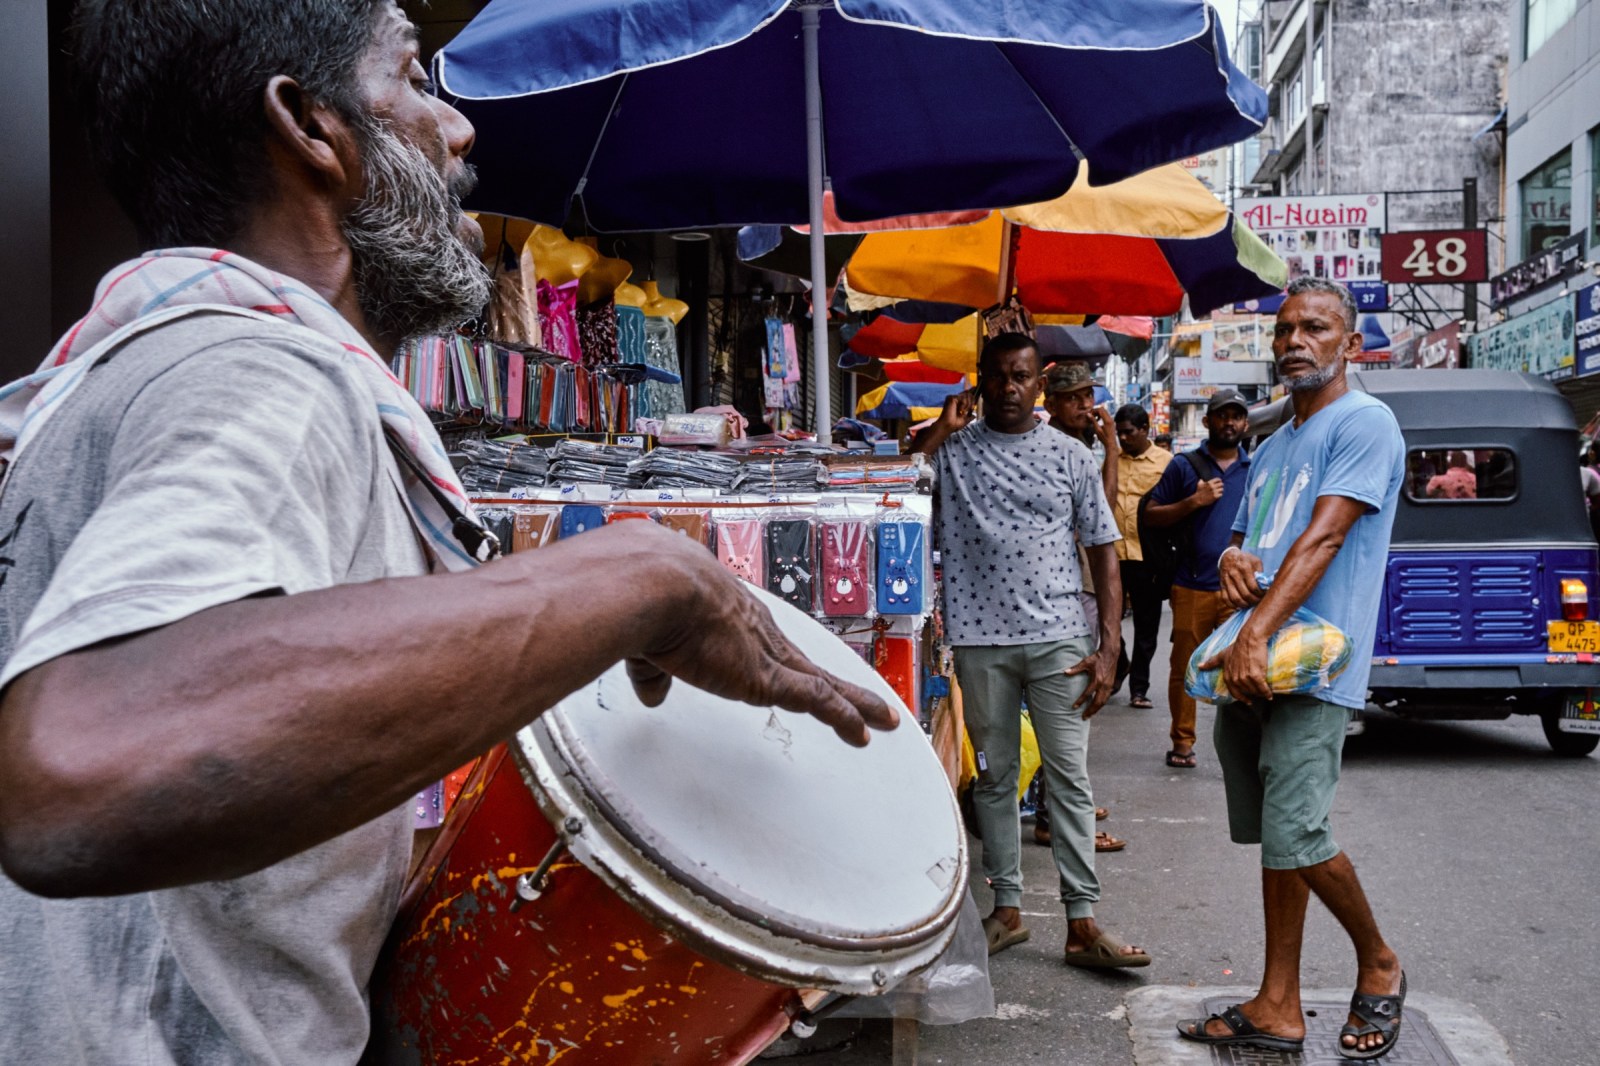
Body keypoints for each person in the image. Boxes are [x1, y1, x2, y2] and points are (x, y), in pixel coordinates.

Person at [0, 4, 894, 1064]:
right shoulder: (260, 379)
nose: (458, 129)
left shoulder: (139, 372)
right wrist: (645, 577)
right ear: (311, 130)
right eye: (415, 81)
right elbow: (80, 768)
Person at [1175, 277, 1406, 1060]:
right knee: (1279, 840)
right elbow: (1248, 543)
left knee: (1300, 833)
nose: (1294, 342)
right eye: (1283, 330)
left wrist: (1253, 635)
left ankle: (1379, 961)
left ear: (1351, 344)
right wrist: (1237, 562)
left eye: (1314, 328)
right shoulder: (1273, 443)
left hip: (1311, 665)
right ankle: (1278, 1002)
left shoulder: (1365, 423)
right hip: (1255, 668)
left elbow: (1323, 541)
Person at [914, 335, 1149, 969]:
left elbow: (1104, 546)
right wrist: (938, 431)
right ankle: (1008, 911)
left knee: (1069, 778)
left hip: (1060, 645)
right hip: (980, 645)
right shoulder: (953, 453)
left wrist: (1108, 645)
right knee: (994, 776)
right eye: (998, 377)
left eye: (1021, 377)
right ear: (981, 382)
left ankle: (1082, 922)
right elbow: (894, 487)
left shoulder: (1070, 456)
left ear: (1037, 384)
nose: (1010, 388)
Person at [1037, 362, 1123, 853]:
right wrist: (1111, 448)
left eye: (1089, 396)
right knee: (1069, 701)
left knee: (1071, 703)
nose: (1087, 407)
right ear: (1051, 402)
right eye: (1075, 398)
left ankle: (1067, 804)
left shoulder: (1079, 448)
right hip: (1067, 592)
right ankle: (1058, 814)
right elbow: (1104, 512)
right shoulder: (1062, 450)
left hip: (1082, 585)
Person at [1142, 389, 1252, 769]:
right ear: (1207, 422)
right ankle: (1182, 742)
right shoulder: (1184, 466)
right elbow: (1151, 515)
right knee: (1186, 667)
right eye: (1223, 415)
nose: (1230, 423)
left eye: (1237, 416)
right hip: (1191, 585)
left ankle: (1241, 748)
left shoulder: (1255, 470)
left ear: (1246, 424)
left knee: (1243, 669)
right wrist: (1194, 502)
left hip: (1242, 591)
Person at [1111, 403, 1173, 708]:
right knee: (1106, 618)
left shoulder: (1166, 463)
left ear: (1145, 430)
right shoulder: (1112, 461)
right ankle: (1119, 662)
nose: (1123, 438)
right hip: (1113, 555)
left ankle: (1139, 687)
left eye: (1129, 432)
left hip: (1148, 557)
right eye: (1119, 432)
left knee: (1146, 625)